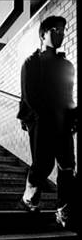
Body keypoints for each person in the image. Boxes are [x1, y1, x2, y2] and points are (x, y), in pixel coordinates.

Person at [17, 15, 77, 228]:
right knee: (43, 165)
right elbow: (29, 96)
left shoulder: (67, 66)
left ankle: (63, 210)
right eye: (56, 30)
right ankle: (29, 198)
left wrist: (73, 117)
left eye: (63, 31)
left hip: (63, 122)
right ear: (43, 34)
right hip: (40, 120)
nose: (61, 34)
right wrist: (46, 118)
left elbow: (69, 97)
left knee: (67, 166)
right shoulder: (31, 63)